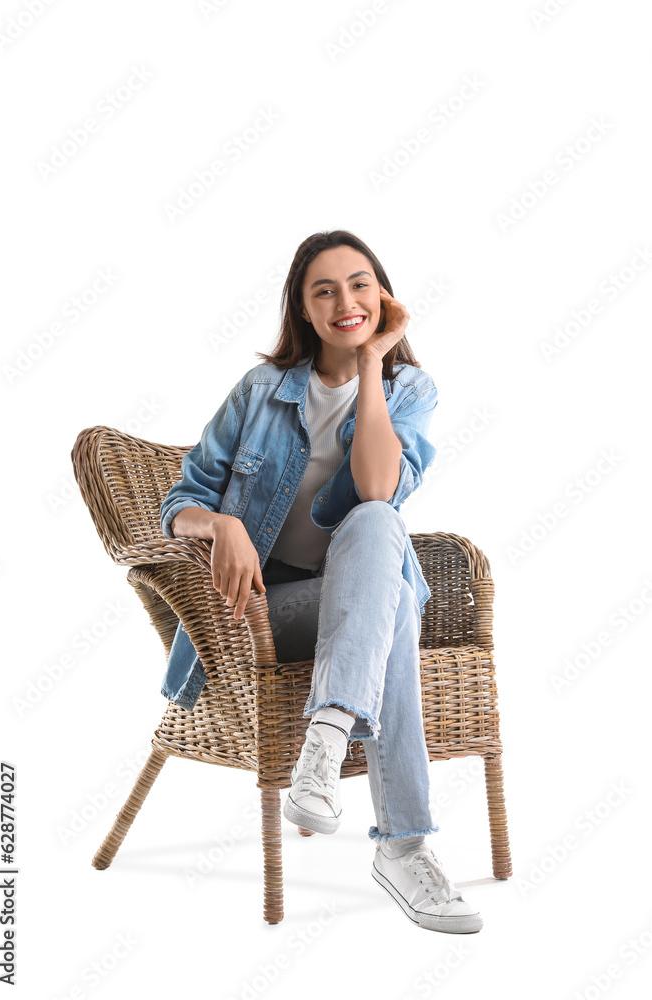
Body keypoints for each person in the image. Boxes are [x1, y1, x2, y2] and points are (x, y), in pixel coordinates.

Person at [159, 229, 483, 934]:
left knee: (375, 525)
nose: (346, 300)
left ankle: (326, 739)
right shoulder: (260, 390)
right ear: (302, 310)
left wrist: (372, 363)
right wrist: (222, 526)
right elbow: (179, 501)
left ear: (382, 294)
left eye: (360, 283)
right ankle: (402, 848)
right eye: (324, 289)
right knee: (391, 599)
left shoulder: (409, 389)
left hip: (360, 605)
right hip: (263, 611)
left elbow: (376, 486)